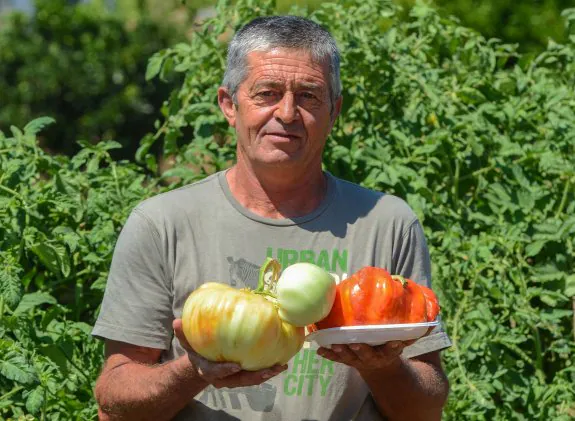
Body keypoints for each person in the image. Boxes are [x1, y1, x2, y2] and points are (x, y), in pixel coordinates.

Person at [92, 15, 451, 421]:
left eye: (309, 96)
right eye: (267, 93)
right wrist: (194, 372)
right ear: (229, 105)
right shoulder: (162, 224)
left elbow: (425, 408)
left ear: (334, 111)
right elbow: (114, 399)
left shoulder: (387, 223)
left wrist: (382, 366)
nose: (287, 113)